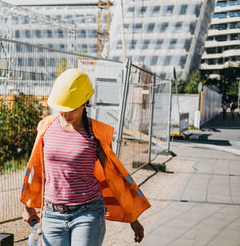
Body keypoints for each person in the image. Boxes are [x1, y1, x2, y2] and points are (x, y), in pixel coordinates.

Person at [21, 69, 150, 246]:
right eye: (61, 108)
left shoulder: (97, 134)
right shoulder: (46, 127)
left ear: (85, 103)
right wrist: (28, 206)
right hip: (52, 214)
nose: (65, 114)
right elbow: (35, 169)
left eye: (71, 108)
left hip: (88, 213)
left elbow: (114, 178)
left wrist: (132, 217)